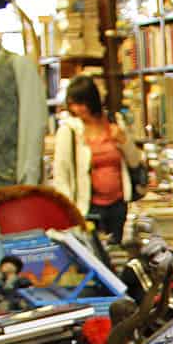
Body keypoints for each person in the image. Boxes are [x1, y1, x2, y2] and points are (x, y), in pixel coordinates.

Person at [52, 75, 141, 244]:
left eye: (81, 103)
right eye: (72, 104)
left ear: (91, 101)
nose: (76, 109)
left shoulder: (114, 122)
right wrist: (69, 210)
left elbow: (135, 161)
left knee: (116, 251)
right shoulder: (69, 131)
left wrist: (124, 141)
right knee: (93, 251)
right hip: (87, 207)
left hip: (118, 204)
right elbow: (61, 173)